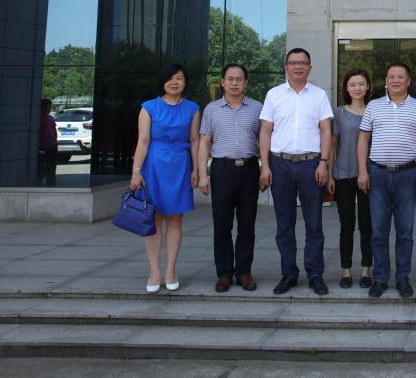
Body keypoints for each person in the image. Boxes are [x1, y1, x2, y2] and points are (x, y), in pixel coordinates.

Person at [259, 48, 334, 296]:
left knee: (314, 223)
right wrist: (265, 165)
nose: (298, 66)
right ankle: (289, 274)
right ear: (286, 67)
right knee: (284, 223)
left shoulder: (319, 95)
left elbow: (326, 130)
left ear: (310, 67)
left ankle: (315, 274)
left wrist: (324, 162)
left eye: (303, 63)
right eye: (293, 62)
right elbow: (265, 131)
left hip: (311, 163)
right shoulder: (274, 95)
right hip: (280, 164)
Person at [357, 62, 416, 298]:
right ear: (386, 80)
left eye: (400, 77)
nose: (396, 80)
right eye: (391, 76)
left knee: (405, 231)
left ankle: (403, 278)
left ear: (408, 81)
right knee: (378, 231)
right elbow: (363, 140)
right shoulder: (374, 106)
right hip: (378, 175)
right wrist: (363, 171)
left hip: (407, 175)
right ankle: (380, 278)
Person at [130, 63, 200, 293]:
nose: (174, 82)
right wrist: (136, 170)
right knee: (154, 218)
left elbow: (195, 141)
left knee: (176, 219)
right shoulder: (148, 107)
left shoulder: (192, 108)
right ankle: (154, 271)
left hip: (180, 164)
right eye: (170, 78)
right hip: (154, 164)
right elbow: (143, 141)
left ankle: (171, 269)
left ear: (185, 82)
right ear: (163, 82)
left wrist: (196, 169)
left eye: (179, 78)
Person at [197, 64, 262, 293]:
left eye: (239, 79)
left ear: (246, 82)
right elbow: (204, 142)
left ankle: (244, 272)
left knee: (247, 224)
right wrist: (202, 174)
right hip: (222, 169)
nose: (235, 83)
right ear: (223, 82)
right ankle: (224, 274)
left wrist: (266, 169)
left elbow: (265, 140)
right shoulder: (211, 109)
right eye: (230, 79)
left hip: (249, 170)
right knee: (222, 224)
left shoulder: (257, 108)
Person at [329, 68, 373, 289]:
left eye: (361, 84)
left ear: (368, 87)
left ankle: (367, 270)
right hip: (343, 174)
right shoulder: (338, 113)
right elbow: (332, 144)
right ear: (346, 88)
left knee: (367, 225)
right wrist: (330, 174)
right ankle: (346, 270)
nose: (357, 88)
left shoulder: (374, 110)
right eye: (352, 84)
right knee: (346, 225)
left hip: (369, 176)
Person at [37, 98, 57, 187]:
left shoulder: (51, 118)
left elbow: (54, 131)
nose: (50, 108)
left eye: (50, 106)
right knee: (41, 168)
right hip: (42, 147)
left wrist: (55, 142)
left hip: (52, 146)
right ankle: (38, 182)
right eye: (48, 106)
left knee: (51, 167)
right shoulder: (38, 118)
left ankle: (51, 184)